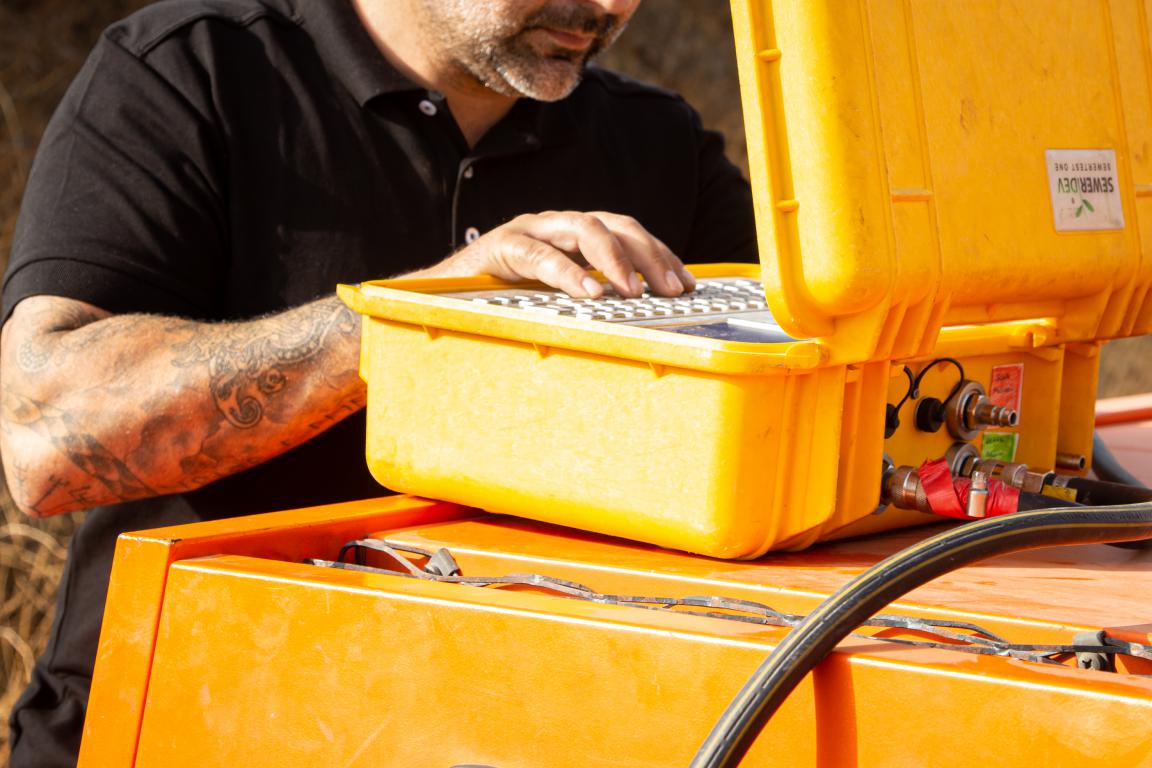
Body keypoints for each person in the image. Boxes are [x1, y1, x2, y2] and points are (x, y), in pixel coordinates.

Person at [0, 0, 756, 764]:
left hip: (497, 733)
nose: (612, 4)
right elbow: (44, 446)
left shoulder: (659, 141)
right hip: (174, 726)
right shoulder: (191, 70)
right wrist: (420, 313)